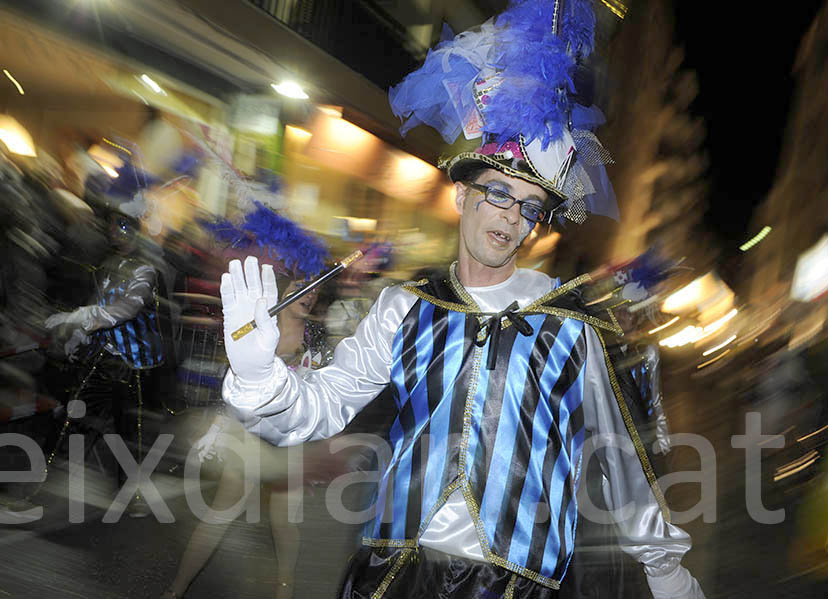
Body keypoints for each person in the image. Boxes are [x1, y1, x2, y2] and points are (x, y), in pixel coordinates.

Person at [218, 1, 705, 598]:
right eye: (498, 192)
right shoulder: (406, 305)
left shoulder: (575, 326)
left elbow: (622, 461)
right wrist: (260, 377)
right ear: (463, 194)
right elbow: (323, 405)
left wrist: (666, 569)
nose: (510, 215)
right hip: (395, 575)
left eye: (529, 206)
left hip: (519, 586)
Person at [162, 206, 331, 599]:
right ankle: (175, 590)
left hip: (287, 443)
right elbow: (234, 381)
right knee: (219, 516)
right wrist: (221, 424)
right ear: (287, 284)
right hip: (250, 439)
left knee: (285, 525)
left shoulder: (314, 337)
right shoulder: (260, 325)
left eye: (317, 286)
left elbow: (319, 397)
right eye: (304, 284)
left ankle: (283, 592)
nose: (312, 293)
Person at [45, 195, 166, 517]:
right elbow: (99, 303)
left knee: (128, 431)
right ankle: (38, 488)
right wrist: (80, 332)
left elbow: (127, 308)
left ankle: (129, 495)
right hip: (105, 355)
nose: (113, 232)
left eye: (121, 226)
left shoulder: (146, 268)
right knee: (75, 416)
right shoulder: (108, 264)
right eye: (112, 226)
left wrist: (84, 317)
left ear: (134, 231)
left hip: (134, 363)